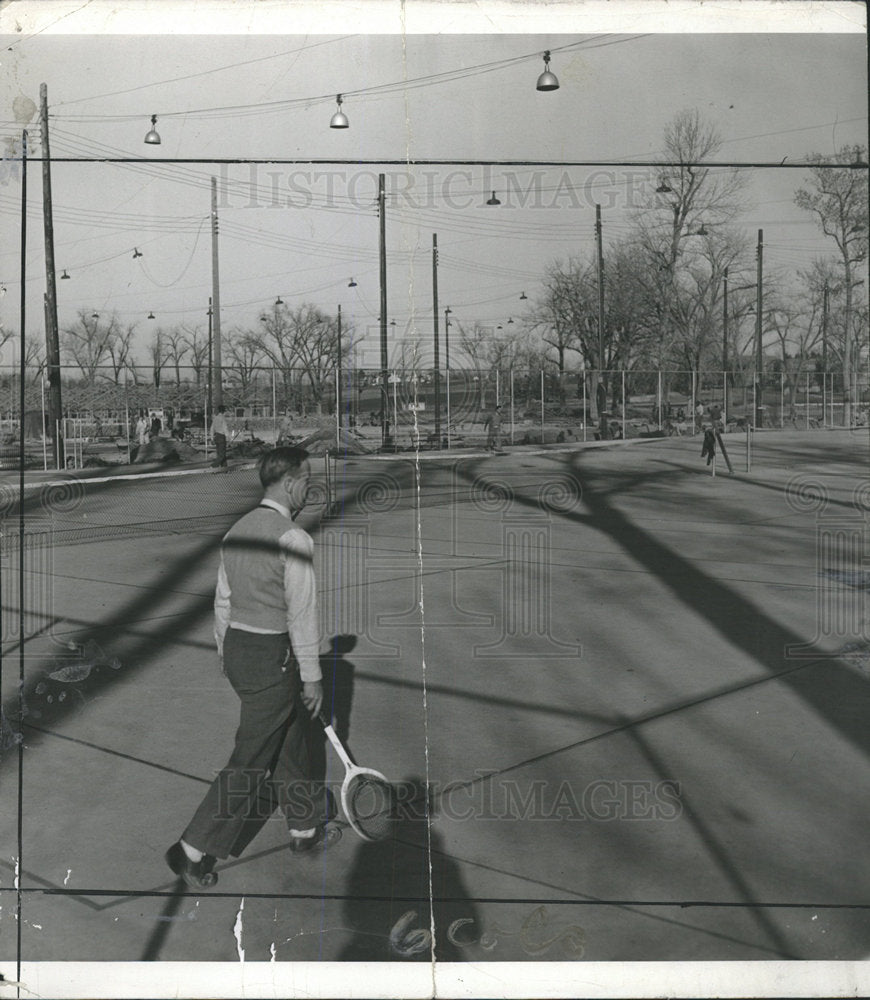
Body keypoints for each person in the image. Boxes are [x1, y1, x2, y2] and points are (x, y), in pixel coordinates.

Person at [166, 446, 333, 888]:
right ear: (291, 482)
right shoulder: (293, 537)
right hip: (270, 653)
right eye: (307, 477)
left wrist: (225, 651)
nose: (309, 486)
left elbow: (222, 601)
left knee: (290, 732)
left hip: (239, 647)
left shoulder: (236, 530)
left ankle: (304, 826)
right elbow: (301, 613)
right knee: (252, 758)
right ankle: (191, 848)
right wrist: (312, 676)